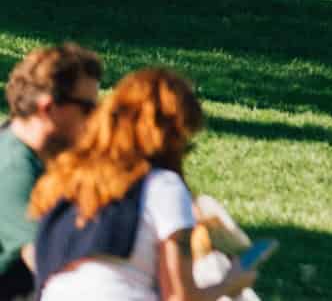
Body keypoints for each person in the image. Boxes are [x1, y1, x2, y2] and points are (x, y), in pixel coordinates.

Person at [28, 67, 257, 301]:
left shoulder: (62, 180)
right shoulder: (162, 186)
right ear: (170, 136)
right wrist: (232, 282)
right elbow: (180, 297)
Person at [2, 45, 102, 301]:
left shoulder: (41, 154)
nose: (95, 120)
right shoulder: (14, 170)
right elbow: (48, 264)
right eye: (88, 109)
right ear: (48, 108)